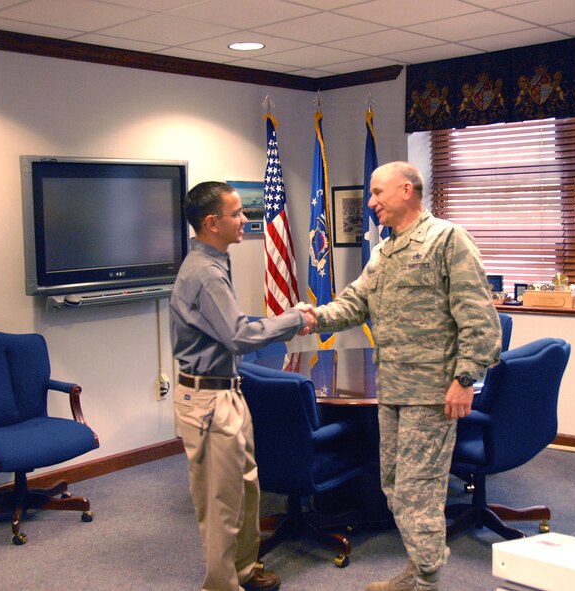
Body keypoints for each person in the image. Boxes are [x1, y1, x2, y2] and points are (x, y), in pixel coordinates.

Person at [302, 162, 501, 591]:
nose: (371, 202)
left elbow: (480, 320)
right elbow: (353, 304)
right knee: (394, 486)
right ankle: (418, 568)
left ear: (407, 190)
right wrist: (313, 318)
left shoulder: (447, 239)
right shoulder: (384, 253)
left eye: (378, 192)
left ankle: (427, 580)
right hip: (392, 390)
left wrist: (465, 379)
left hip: (431, 394)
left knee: (419, 491)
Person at [170, 181, 316, 591]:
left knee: (246, 489)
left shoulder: (215, 262)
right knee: (222, 502)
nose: (244, 219)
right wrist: (293, 318)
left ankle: (245, 570)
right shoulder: (205, 273)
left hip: (225, 393)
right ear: (211, 222)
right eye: (236, 214)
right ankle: (222, 584)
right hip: (207, 400)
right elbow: (238, 335)